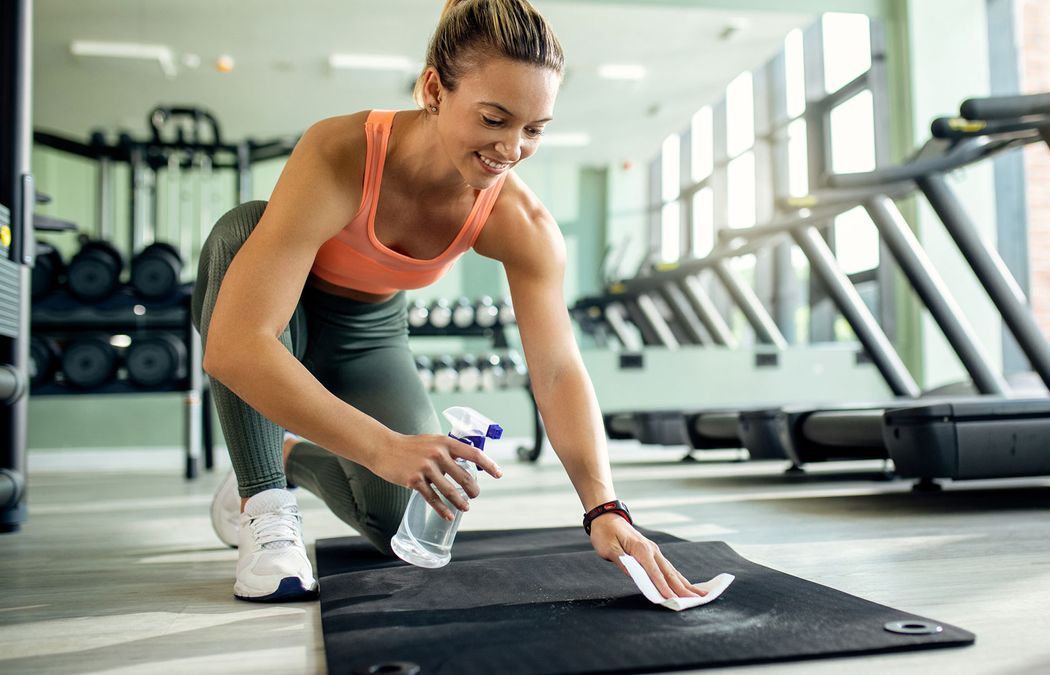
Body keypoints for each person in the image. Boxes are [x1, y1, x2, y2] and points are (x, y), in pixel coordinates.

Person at [194, 0, 703, 603]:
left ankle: (290, 452)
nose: (511, 149)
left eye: (534, 129)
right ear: (435, 90)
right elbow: (235, 345)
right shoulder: (340, 152)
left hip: (370, 336)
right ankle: (265, 501)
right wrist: (382, 445)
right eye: (494, 119)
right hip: (283, 314)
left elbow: (559, 368)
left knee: (401, 525)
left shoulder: (522, 222)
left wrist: (605, 507)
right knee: (242, 228)